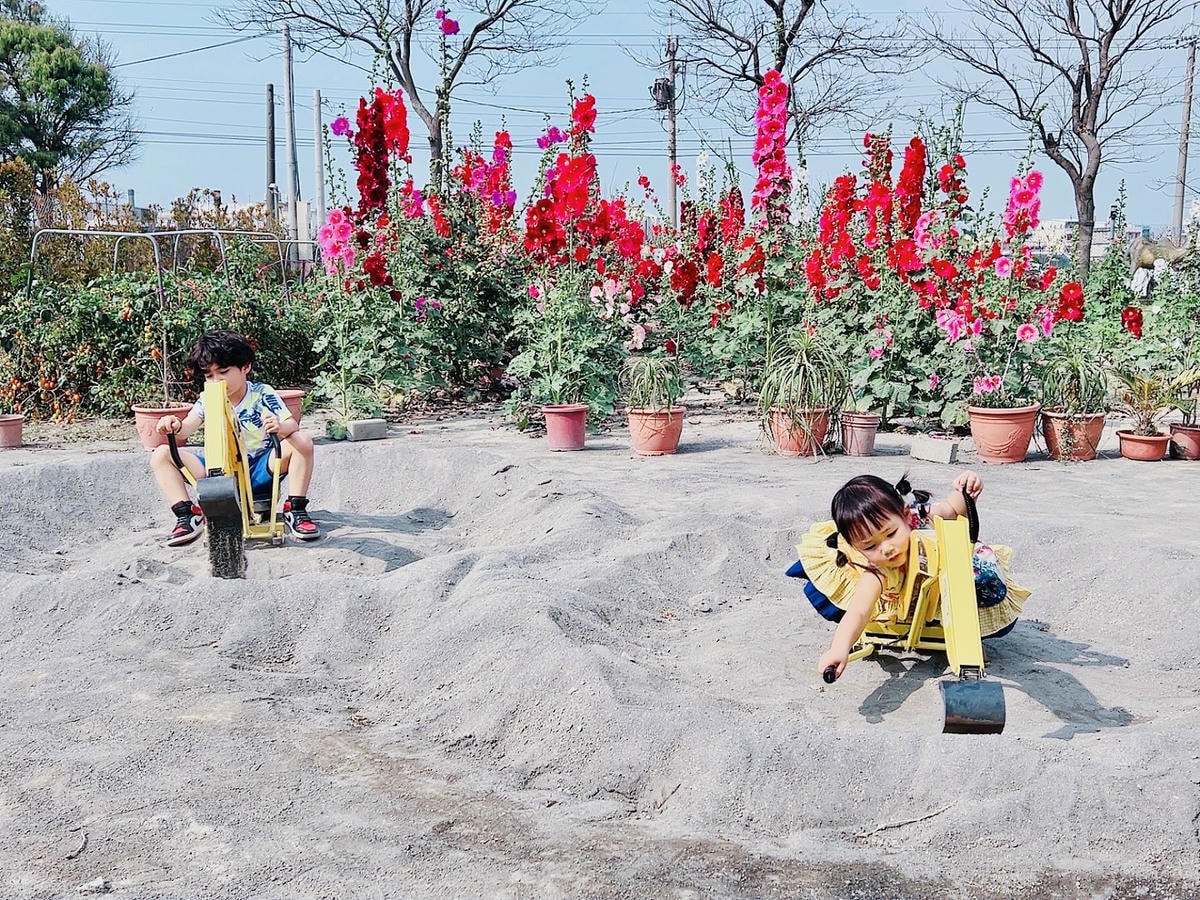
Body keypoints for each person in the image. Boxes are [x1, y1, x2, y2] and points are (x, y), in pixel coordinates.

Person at [790, 471, 1028, 681]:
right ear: (857, 548)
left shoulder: (914, 515)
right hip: (904, 600)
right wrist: (839, 648)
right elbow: (859, 611)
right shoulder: (876, 571)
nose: (886, 548)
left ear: (905, 516)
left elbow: (953, 508)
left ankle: (970, 639)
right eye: (870, 546)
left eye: (891, 533)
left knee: (971, 582)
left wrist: (966, 486)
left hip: (937, 577)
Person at [149, 330, 320, 546]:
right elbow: (185, 429)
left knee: (302, 440)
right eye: (209, 376)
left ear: (245, 367)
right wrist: (172, 424)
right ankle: (187, 514)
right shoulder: (207, 399)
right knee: (161, 455)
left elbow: (291, 424)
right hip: (218, 473)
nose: (216, 380)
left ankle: (295, 509)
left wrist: (278, 426)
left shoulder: (261, 393)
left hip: (259, 468)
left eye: (223, 372)